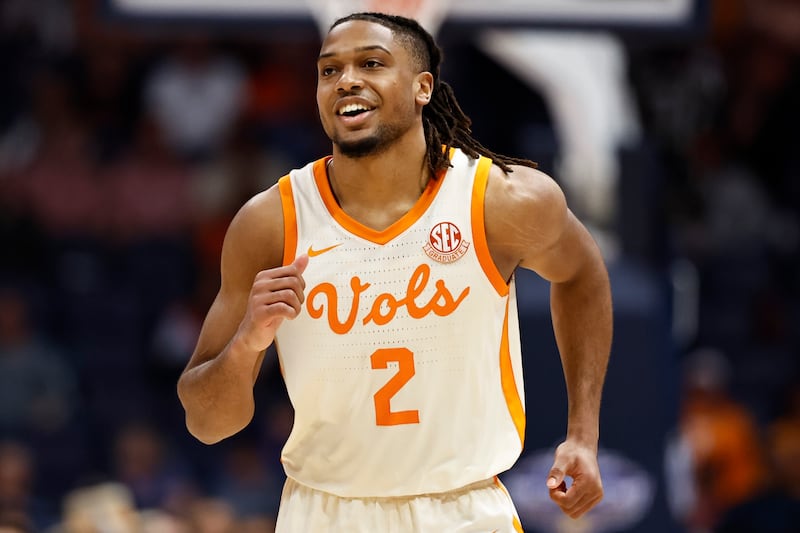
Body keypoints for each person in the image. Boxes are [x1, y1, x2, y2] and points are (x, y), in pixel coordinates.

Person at [177, 11, 612, 532]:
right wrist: (247, 343)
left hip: (464, 509)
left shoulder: (499, 200)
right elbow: (207, 423)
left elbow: (582, 273)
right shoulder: (270, 223)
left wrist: (583, 434)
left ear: (422, 87)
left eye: (371, 63)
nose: (347, 80)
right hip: (325, 513)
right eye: (329, 70)